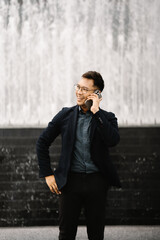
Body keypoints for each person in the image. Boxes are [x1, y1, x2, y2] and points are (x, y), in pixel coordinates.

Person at [36, 71, 121, 240]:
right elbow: (42, 142)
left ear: (96, 93)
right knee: (66, 234)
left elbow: (113, 140)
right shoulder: (65, 115)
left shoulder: (107, 118)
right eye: (78, 87)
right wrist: (47, 174)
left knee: (96, 234)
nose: (79, 92)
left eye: (84, 89)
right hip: (69, 183)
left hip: (97, 182)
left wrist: (96, 112)